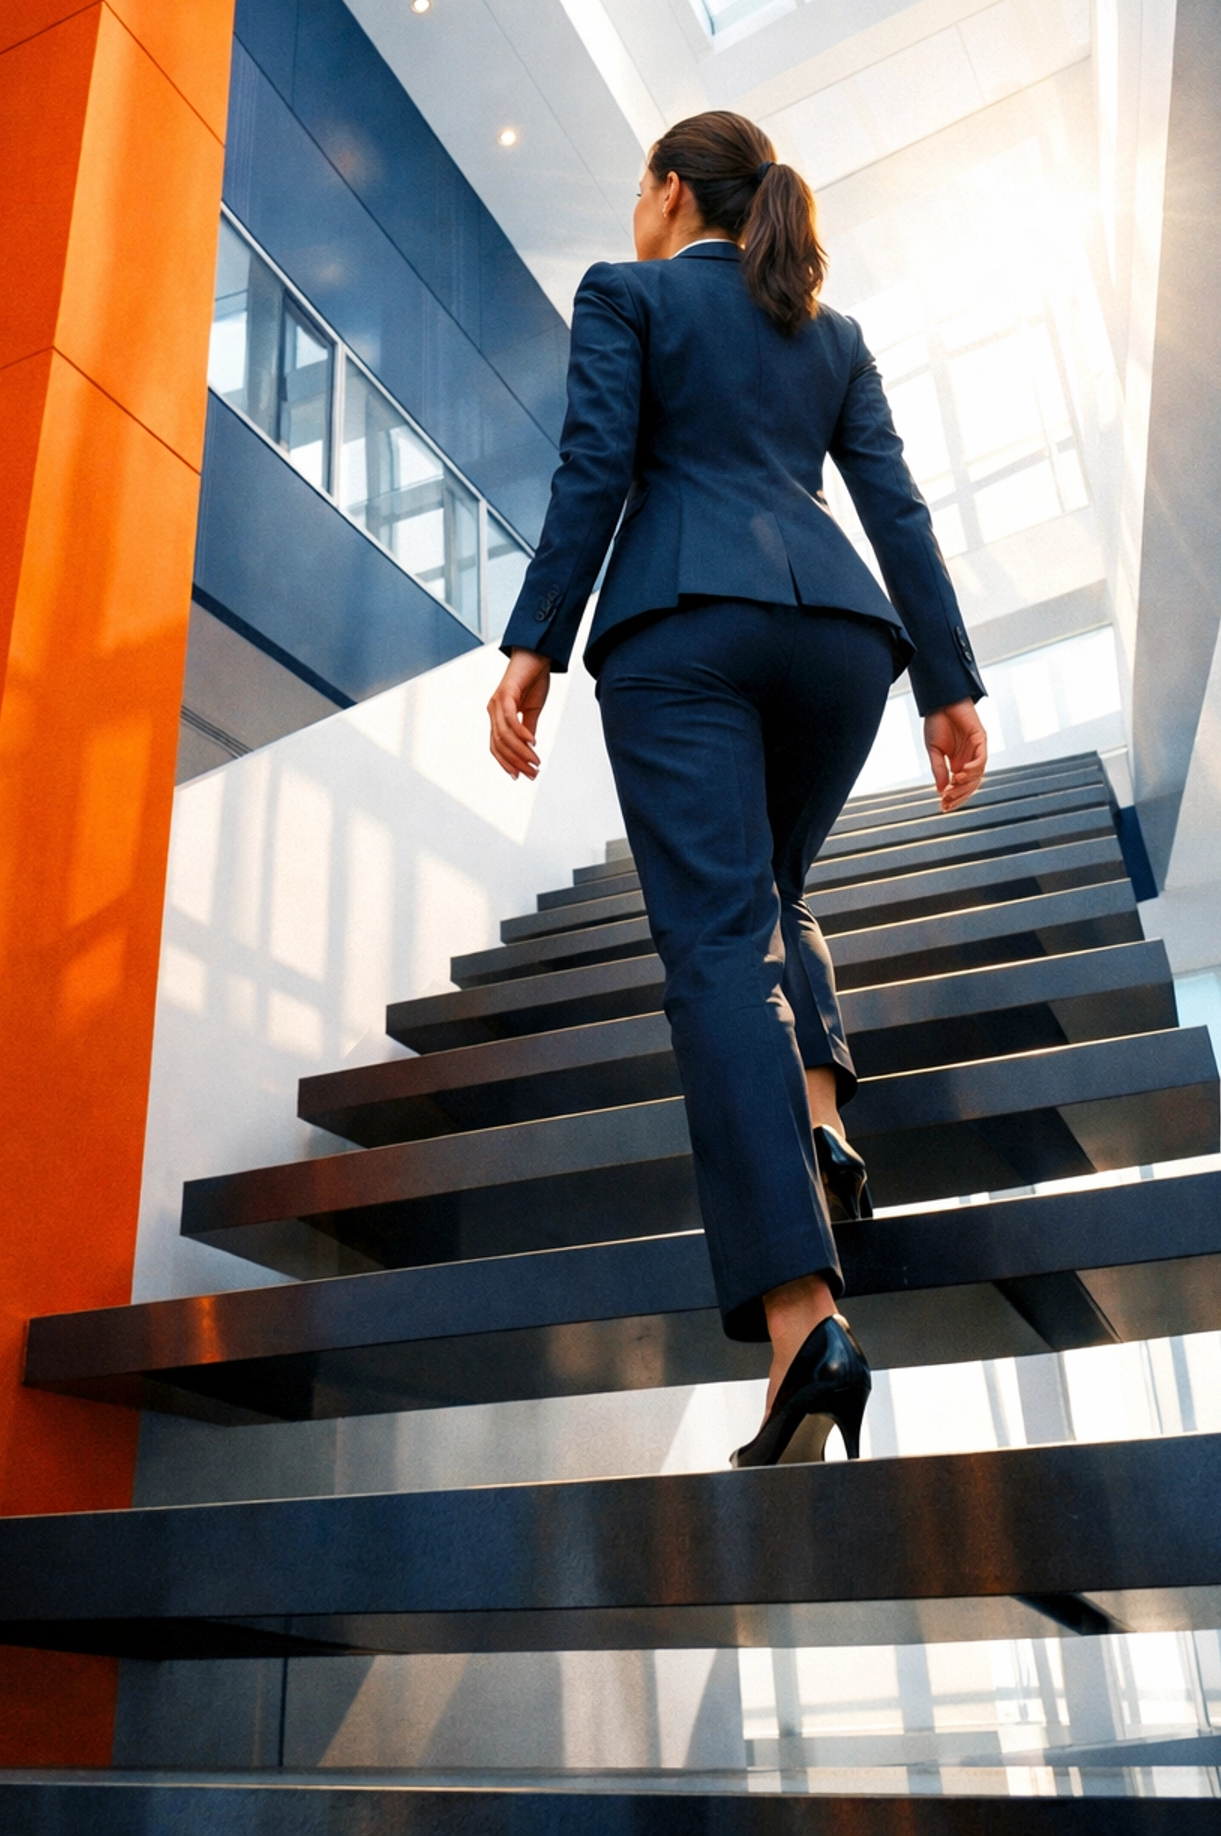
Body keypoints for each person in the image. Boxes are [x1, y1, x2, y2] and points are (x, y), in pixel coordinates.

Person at [486, 110, 988, 1469]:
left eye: (637, 190)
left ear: (668, 193)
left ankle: (803, 1326)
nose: (631, 212)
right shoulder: (830, 333)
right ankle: (819, 1121)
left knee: (716, 945)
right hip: (842, 641)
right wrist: (949, 683)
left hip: (684, 629)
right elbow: (896, 509)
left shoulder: (628, 293)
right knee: (769, 894)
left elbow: (596, 469)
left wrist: (535, 643)